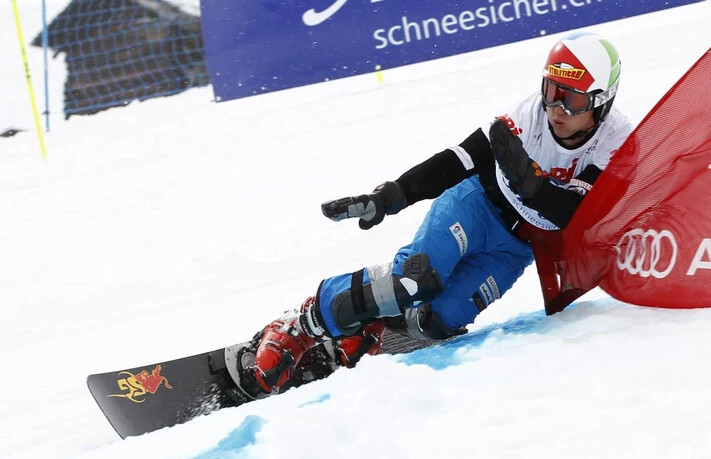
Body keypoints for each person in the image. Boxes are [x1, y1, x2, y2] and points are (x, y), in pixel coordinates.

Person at [239, 32, 633, 397]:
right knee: (415, 282)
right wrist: (393, 194)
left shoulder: (616, 143)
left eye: (573, 99)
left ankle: (370, 328)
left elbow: (572, 214)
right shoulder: (526, 117)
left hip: (517, 248)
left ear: (602, 100)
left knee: (437, 319)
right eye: (551, 90)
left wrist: (531, 183)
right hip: (474, 205)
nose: (557, 109)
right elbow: (459, 159)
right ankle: (303, 323)